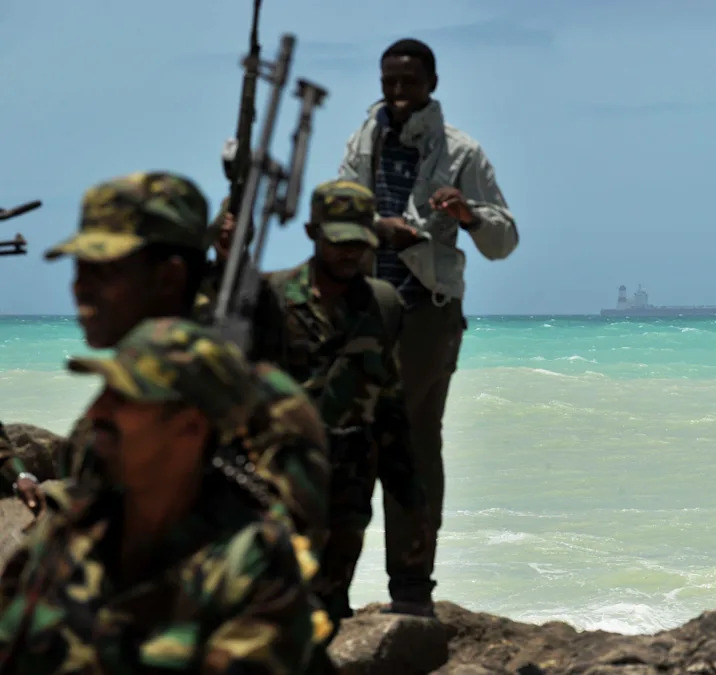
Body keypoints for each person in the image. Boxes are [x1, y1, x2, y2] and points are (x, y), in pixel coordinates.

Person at [25, 171, 331, 559]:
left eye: (102, 271)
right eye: (79, 268)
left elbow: (287, 560)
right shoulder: (109, 409)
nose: (79, 287)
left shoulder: (266, 411)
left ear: (169, 277)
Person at [0, 317, 325, 673]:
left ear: (190, 427)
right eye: (104, 392)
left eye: (125, 398)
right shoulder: (70, 529)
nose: (96, 412)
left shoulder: (251, 569)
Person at [337, 36, 519, 616]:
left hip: (426, 310)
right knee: (347, 442)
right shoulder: (363, 139)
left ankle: (411, 588)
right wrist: (376, 228)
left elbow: (504, 241)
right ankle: (331, 590)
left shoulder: (461, 152)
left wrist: (467, 214)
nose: (396, 93)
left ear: (432, 85)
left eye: (408, 82)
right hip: (359, 307)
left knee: (413, 445)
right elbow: (336, 216)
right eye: (388, 81)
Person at [265, 179, 411, 629]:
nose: (350, 254)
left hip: (350, 479)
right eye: (339, 242)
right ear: (312, 233)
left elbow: (390, 401)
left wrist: (408, 492)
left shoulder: (383, 303)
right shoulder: (272, 298)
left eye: (359, 243)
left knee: (330, 605)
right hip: (281, 475)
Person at [194, 195, 288, 364]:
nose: (227, 238)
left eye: (234, 238)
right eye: (222, 235)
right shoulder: (195, 281)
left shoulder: (262, 294)